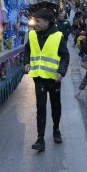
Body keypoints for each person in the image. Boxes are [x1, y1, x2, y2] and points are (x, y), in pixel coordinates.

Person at [22, 8, 69, 152]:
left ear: (47, 22)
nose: (34, 23)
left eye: (37, 21)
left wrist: (61, 73)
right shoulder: (31, 35)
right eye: (34, 20)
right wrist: (26, 63)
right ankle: (40, 139)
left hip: (54, 79)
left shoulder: (58, 36)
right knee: (41, 108)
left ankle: (56, 130)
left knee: (56, 106)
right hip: (39, 78)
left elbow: (65, 56)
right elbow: (27, 50)